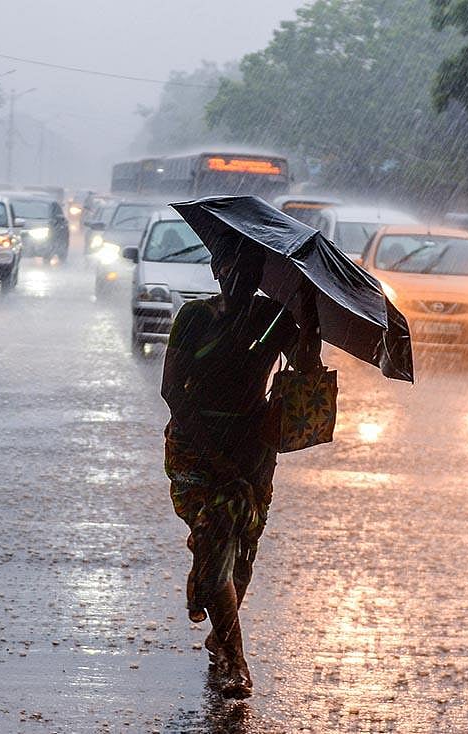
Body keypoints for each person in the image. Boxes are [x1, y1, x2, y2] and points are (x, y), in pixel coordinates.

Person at [161, 244, 321, 699]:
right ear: (216, 268)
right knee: (216, 541)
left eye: (250, 269)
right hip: (196, 451)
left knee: (242, 553)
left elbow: (307, 368)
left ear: (261, 276)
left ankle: (218, 623)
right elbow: (172, 389)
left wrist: (308, 311)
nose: (239, 277)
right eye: (231, 266)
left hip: (252, 452)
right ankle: (234, 658)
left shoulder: (273, 318)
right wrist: (214, 456)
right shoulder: (195, 317)